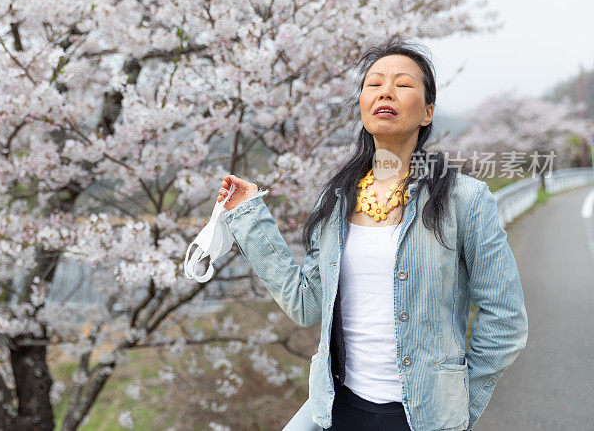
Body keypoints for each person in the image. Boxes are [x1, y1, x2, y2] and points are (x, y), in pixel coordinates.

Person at [216, 35, 528, 431]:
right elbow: (306, 303)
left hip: (424, 418)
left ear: (427, 112)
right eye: (374, 84)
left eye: (402, 84)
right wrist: (248, 214)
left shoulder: (464, 199)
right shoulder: (335, 200)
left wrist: (460, 407)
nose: (386, 92)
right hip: (341, 411)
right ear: (362, 105)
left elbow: (506, 320)